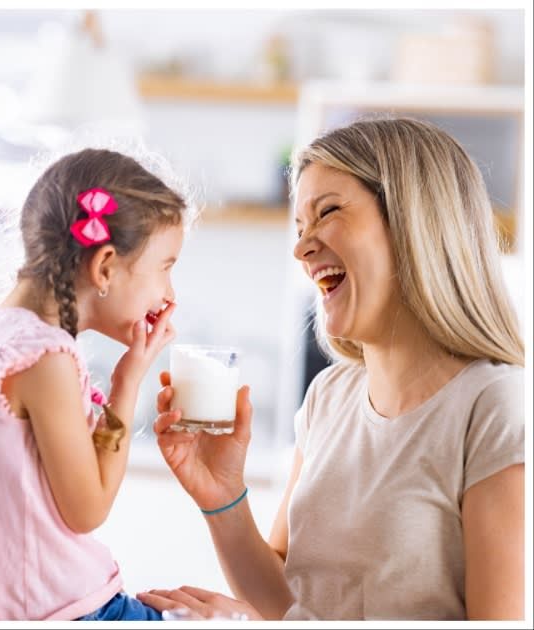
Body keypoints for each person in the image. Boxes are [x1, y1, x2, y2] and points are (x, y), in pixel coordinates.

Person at [136, 117, 525, 620]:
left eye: (328, 213)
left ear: (415, 222)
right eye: (299, 227)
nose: (301, 248)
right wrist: (222, 496)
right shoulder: (330, 396)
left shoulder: (495, 407)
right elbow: (289, 603)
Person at [0, 148, 192, 620]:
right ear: (105, 267)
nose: (170, 293)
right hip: (66, 611)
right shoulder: (45, 357)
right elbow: (88, 509)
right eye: (165, 266)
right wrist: (128, 381)